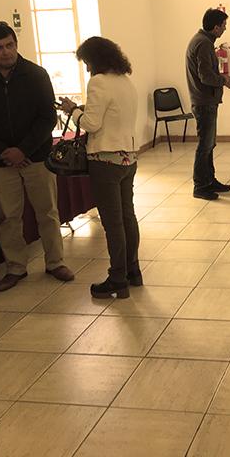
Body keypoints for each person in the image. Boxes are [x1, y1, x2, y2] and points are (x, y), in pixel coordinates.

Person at [0, 21, 74, 292]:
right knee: (8, 217)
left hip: (36, 157)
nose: (5, 52)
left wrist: (22, 150)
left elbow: (47, 117)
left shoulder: (37, 74)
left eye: (9, 45)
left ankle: (55, 262)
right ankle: (15, 267)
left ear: (16, 44)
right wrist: (4, 152)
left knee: (47, 212)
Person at [58, 37, 141, 299]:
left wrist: (73, 110)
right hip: (127, 157)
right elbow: (112, 115)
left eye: (86, 62)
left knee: (113, 223)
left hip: (105, 160)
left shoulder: (99, 81)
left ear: (94, 60)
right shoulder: (125, 81)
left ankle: (117, 278)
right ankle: (133, 271)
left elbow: (92, 124)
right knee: (128, 217)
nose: (86, 69)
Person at [185, 8, 230, 201]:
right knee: (204, 145)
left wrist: (223, 80)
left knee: (209, 144)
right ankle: (200, 186)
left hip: (205, 100)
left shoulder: (202, 41)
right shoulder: (203, 44)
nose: (225, 29)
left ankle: (210, 180)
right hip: (203, 101)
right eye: (224, 26)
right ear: (216, 27)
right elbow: (206, 76)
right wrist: (225, 80)